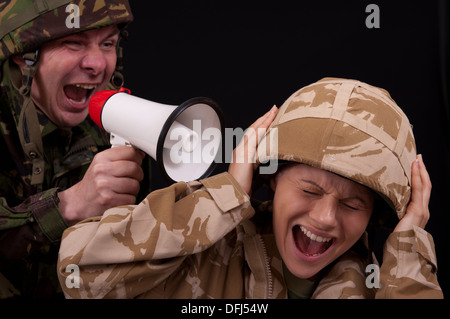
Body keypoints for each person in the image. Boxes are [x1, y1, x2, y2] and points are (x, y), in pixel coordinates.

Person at [57, 78, 443, 298]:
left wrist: (408, 252)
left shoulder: (387, 285)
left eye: (353, 203)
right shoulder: (201, 257)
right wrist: (226, 194)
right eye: (309, 190)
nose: (325, 218)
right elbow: (78, 273)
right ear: (270, 176)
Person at [0, 0, 150, 298]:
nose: (97, 64)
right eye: (73, 43)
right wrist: (68, 205)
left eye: (107, 43)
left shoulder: (108, 126)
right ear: (23, 56)